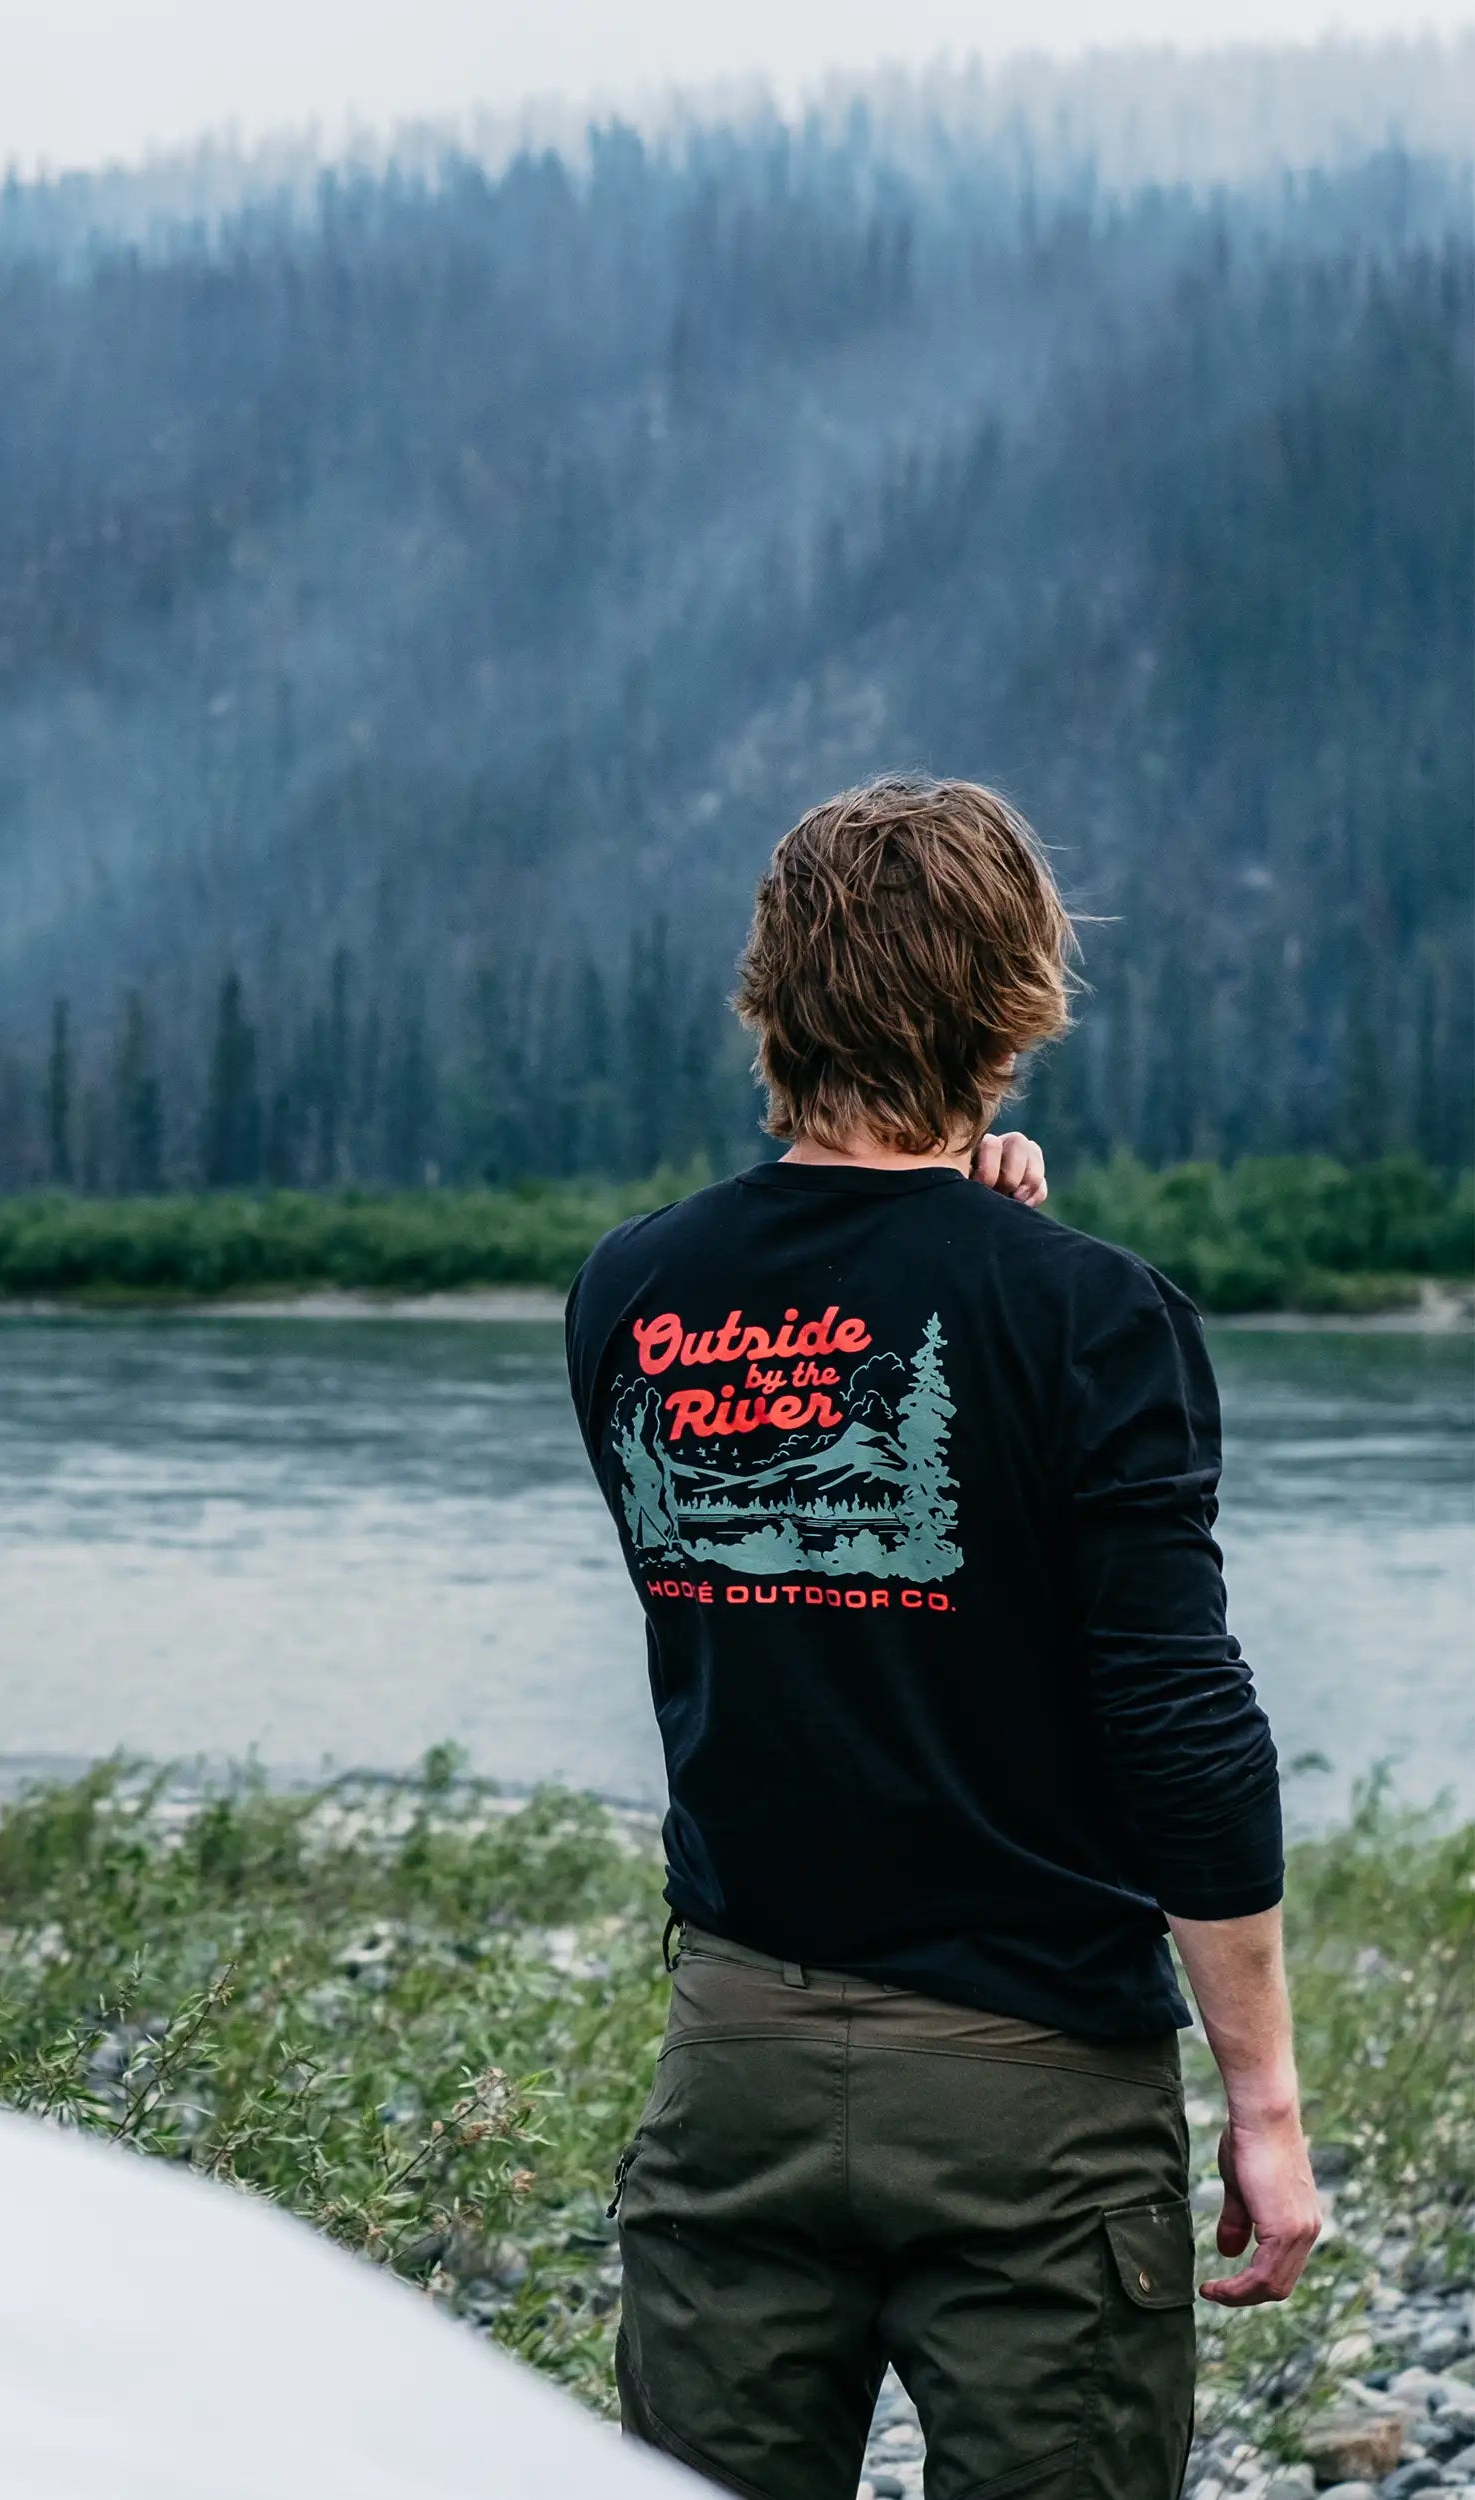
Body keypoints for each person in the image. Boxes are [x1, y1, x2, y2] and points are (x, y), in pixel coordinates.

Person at [564, 777, 1317, 2500]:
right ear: (1015, 997)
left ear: (774, 994)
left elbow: (812, 1634)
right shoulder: (1087, 1316)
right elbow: (1179, 1718)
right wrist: (1262, 2108)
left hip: (735, 2067)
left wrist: (963, 1244)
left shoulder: (630, 1291)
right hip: (1030, 2086)